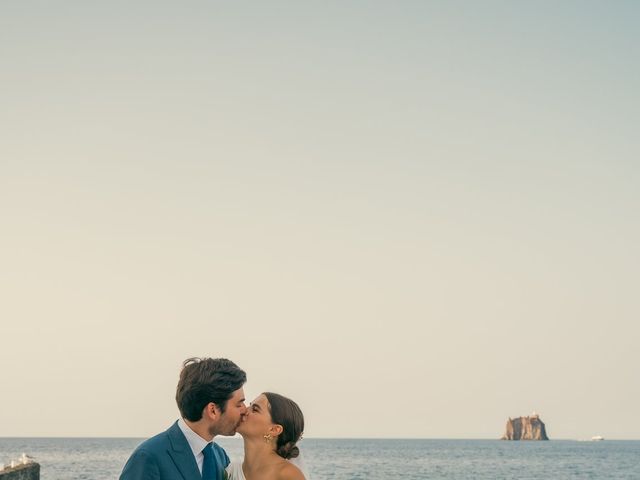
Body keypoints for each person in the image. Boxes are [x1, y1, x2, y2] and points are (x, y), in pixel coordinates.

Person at [120, 357, 247, 480]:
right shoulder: (148, 457)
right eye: (239, 404)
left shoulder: (221, 457)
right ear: (212, 410)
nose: (245, 410)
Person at [226, 392, 306, 480]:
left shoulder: (288, 475)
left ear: (274, 430)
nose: (245, 410)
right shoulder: (230, 471)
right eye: (250, 405)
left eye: (255, 409)